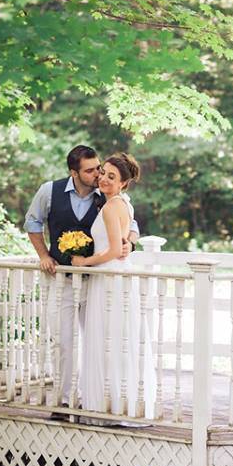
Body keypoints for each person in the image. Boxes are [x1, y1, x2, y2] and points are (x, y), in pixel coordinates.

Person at [24, 145, 139, 408]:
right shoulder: (49, 191)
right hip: (62, 280)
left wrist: (130, 244)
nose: (98, 174)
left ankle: (95, 399)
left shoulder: (107, 195)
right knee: (63, 342)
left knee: (98, 340)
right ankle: (65, 401)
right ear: (73, 172)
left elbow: (132, 225)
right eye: (91, 171)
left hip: (96, 281)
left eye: (99, 168)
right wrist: (44, 255)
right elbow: (32, 223)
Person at [71, 153, 155, 420]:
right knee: (116, 338)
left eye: (112, 177)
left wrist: (85, 261)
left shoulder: (110, 207)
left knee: (107, 337)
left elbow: (114, 250)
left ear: (123, 183)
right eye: (103, 173)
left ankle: (107, 405)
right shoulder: (123, 205)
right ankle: (119, 402)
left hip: (107, 277)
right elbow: (124, 240)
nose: (104, 179)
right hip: (117, 276)